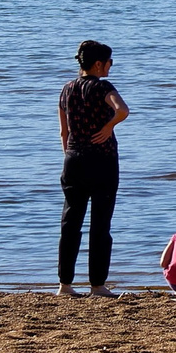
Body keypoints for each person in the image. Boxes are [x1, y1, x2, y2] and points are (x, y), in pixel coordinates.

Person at [57, 38, 130, 297]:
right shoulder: (102, 87)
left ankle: (65, 284)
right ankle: (97, 285)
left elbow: (63, 131)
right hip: (102, 160)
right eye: (109, 62)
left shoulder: (66, 89)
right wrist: (109, 126)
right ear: (98, 64)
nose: (110, 66)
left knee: (70, 223)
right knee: (100, 224)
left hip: (73, 159)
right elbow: (123, 110)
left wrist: (72, 152)